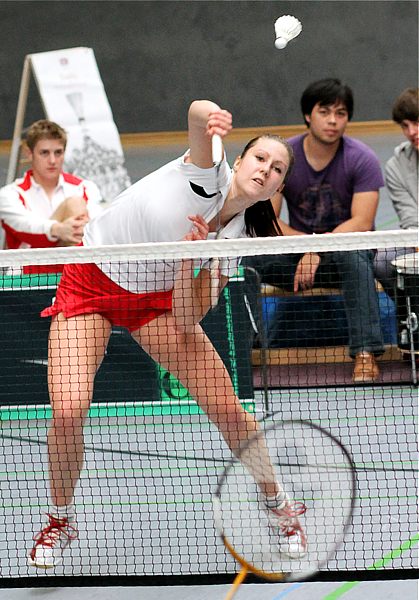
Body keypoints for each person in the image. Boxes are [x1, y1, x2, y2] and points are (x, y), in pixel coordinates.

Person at [29, 100, 307, 569]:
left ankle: (281, 508)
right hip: (91, 281)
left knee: (228, 410)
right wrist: (211, 116)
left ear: (278, 186)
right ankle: (60, 519)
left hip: (157, 300)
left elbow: (184, 318)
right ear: (239, 161)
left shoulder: (238, 239)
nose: (266, 169)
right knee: (69, 409)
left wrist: (185, 261)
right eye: (260, 158)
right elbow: (197, 114)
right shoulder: (207, 172)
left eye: (277, 168)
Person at [243, 78, 385, 383]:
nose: (333, 121)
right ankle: (243, 354)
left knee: (355, 253)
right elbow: (269, 222)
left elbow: (361, 222)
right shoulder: (284, 157)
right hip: (295, 258)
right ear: (309, 114)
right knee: (247, 260)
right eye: (325, 111)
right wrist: (307, 249)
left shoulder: (362, 159)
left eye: (341, 113)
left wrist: (317, 249)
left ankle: (365, 354)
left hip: (342, 257)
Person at [0, 120, 102, 256]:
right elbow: (25, 227)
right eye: (44, 153)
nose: (53, 160)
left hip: (70, 266)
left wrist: (71, 230)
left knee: (76, 205)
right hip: (29, 271)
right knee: (75, 204)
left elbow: (96, 227)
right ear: (29, 154)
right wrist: (58, 229)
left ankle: (74, 276)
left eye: (58, 152)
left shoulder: (85, 188)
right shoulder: (10, 195)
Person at [374, 88, 418, 298]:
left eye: (417, 123)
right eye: (405, 126)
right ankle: (412, 319)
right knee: (384, 260)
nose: (411, 132)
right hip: (416, 241)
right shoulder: (396, 166)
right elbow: (409, 216)